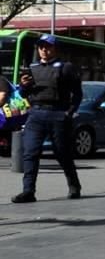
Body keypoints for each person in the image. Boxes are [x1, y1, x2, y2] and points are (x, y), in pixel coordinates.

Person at [11, 34, 83, 203]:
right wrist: (23, 86)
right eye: (41, 46)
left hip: (58, 114)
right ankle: (28, 191)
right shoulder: (32, 68)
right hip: (36, 114)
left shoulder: (66, 68)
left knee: (62, 153)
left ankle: (74, 186)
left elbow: (78, 94)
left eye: (48, 46)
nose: (44, 50)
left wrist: (69, 112)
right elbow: (23, 94)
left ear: (55, 49)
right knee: (30, 153)